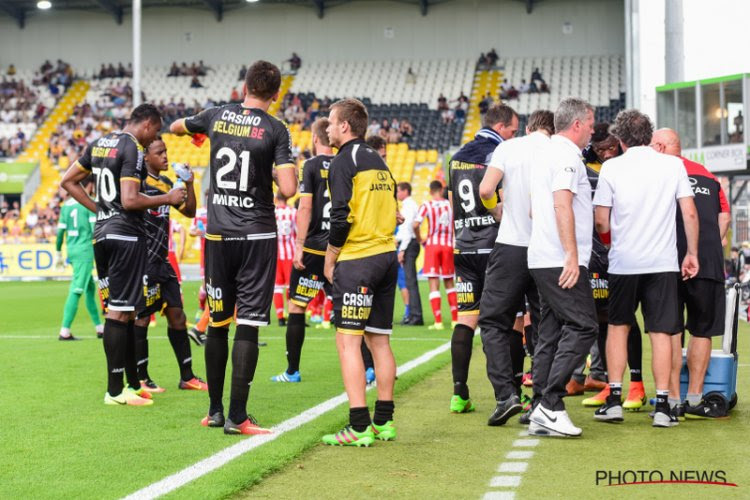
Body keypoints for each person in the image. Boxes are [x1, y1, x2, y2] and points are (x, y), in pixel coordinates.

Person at [170, 60, 297, 435]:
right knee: (249, 324)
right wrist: (271, 169)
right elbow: (289, 189)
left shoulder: (216, 116)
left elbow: (178, 126)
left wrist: (193, 132)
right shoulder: (276, 128)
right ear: (275, 95)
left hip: (218, 235)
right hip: (256, 237)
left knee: (219, 323)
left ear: (243, 87)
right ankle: (238, 417)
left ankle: (214, 412)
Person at [61, 103, 184, 407]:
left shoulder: (100, 143)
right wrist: (167, 197)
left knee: (126, 310)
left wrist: (100, 210)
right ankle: (115, 391)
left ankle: (130, 384)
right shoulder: (133, 149)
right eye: (155, 131)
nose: (153, 137)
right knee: (119, 312)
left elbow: (67, 181)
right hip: (124, 235)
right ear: (147, 125)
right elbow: (129, 200)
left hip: (103, 235)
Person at [592, 110, 699, 428]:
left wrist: (611, 243)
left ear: (621, 139)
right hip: (663, 262)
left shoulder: (612, 166)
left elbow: (600, 220)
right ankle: (665, 404)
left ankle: (613, 399)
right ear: (649, 136)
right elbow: (689, 213)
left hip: (624, 262)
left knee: (618, 327)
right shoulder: (672, 164)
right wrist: (691, 253)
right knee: (663, 333)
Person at [321, 98, 399, 447]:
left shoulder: (343, 161)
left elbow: (340, 217)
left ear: (344, 126)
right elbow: (394, 213)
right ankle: (384, 422)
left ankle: (358, 425)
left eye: (330, 121)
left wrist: (330, 256)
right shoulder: (379, 161)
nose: (326, 127)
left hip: (359, 259)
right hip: (387, 256)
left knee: (347, 342)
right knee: (379, 341)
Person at [526, 98, 599, 437]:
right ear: (577, 125)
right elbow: (562, 203)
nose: (594, 130)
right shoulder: (568, 155)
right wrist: (571, 254)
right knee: (585, 326)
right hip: (560, 259)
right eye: (591, 123)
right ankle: (550, 403)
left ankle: (541, 402)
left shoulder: (542, 154)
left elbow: (533, 209)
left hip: (542, 255)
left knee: (551, 332)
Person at [477, 109, 552, 426]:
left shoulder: (509, 147)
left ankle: (506, 395)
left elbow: (484, 189)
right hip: (546, 248)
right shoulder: (558, 150)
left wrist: (497, 211)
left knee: (494, 321)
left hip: (510, 245)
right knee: (546, 323)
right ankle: (541, 400)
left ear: (529, 126)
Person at [650, 128, 730, 418]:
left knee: (669, 329)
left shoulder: (659, 171)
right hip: (707, 259)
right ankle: (695, 397)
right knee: (702, 329)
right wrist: (709, 244)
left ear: (659, 146)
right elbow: (725, 216)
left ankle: (672, 400)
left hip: (669, 258)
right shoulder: (707, 174)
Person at [448, 104, 522, 415]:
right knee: (512, 320)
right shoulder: (498, 155)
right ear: (501, 127)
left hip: (463, 248)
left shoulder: (455, 157)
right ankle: (513, 392)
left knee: (466, 319)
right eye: (514, 131)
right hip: (495, 246)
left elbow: (454, 202)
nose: (514, 137)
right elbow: (498, 195)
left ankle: (459, 393)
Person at [574, 124, 647, 412]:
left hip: (624, 252)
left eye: (610, 148)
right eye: (600, 149)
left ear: (620, 144)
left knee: (625, 317)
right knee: (603, 317)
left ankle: (637, 385)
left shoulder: (627, 167)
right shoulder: (583, 165)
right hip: (594, 253)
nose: (606, 153)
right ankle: (607, 382)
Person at [132, 136, 208, 394]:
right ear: (146, 157)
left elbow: (188, 212)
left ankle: (187, 377)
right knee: (141, 320)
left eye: (165, 151)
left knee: (178, 317)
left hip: (163, 263)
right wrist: (167, 198)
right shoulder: (137, 184)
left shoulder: (165, 183)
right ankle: (141, 379)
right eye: (160, 152)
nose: (166, 156)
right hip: (142, 262)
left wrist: (188, 182)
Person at [270, 118, 335, 383]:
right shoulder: (346, 165)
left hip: (313, 247)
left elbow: (305, 207)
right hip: (339, 249)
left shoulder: (310, 165)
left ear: (316, 139)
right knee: (348, 307)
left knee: (297, 307)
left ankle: (292, 371)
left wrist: (299, 245)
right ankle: (368, 368)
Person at [55, 178, 103, 341]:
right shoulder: (88, 204)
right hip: (85, 251)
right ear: (88, 185)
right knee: (76, 289)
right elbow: (93, 230)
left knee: (90, 289)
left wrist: (58, 252)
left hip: (73, 250)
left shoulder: (65, 206)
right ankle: (64, 331)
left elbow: (60, 232)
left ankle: (100, 328)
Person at [413, 181, 456, 330]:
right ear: (441, 190)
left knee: (433, 283)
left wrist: (419, 239)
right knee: (449, 282)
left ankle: (438, 322)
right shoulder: (450, 205)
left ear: (431, 191)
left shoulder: (427, 205)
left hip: (432, 245)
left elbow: (415, 224)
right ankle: (455, 320)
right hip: (448, 245)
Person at [396, 181, 423, 326]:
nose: (397, 194)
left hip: (409, 244)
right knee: (410, 281)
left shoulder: (408, 206)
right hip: (411, 243)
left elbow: (407, 229)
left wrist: (402, 249)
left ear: (405, 191)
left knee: (410, 281)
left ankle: (416, 315)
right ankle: (414, 314)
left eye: (399, 191)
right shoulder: (410, 204)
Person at [273, 193, 296, 326]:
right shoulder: (293, 212)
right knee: (290, 286)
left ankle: (280, 317)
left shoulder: (272, 213)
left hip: (275, 254)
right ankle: (293, 315)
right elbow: (298, 231)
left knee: (277, 288)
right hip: (290, 254)